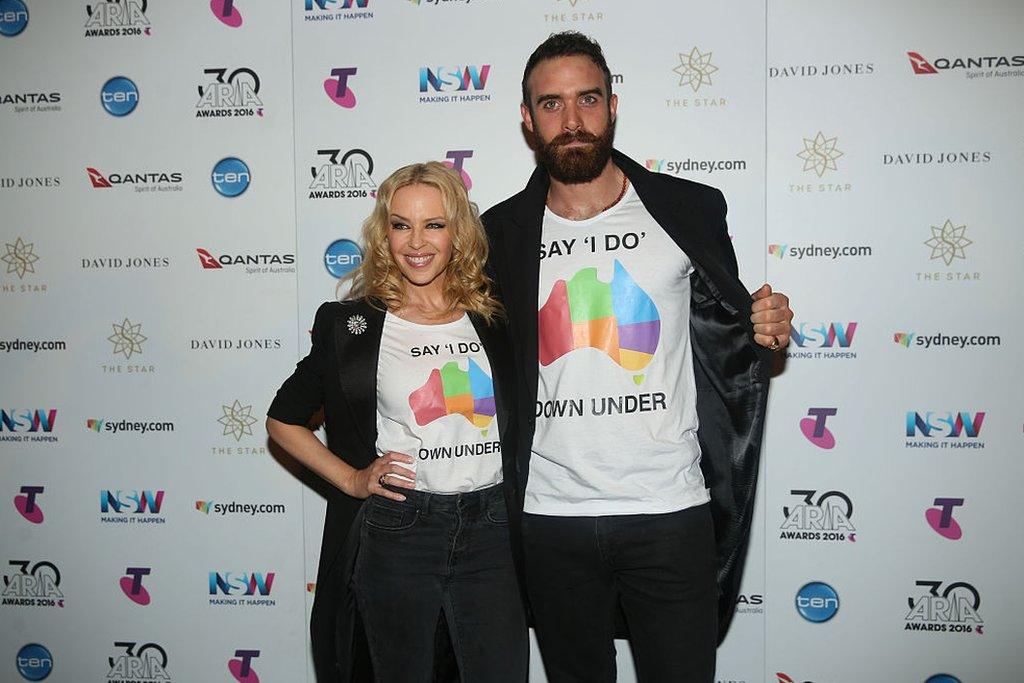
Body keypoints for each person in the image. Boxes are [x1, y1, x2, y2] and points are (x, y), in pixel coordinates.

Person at [480, 32, 794, 682]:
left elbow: (730, 328)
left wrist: (767, 324)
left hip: (669, 512)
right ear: (526, 118)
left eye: (587, 99)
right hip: (551, 518)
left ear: (612, 105)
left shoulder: (688, 208)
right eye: (551, 104)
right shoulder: (500, 232)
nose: (571, 121)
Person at [266, 162, 527, 683]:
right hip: (402, 530)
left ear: (459, 231)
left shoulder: (496, 315)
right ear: (384, 232)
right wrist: (351, 479)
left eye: (434, 224)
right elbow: (283, 420)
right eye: (401, 224)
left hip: (494, 528)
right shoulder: (351, 324)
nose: (417, 241)